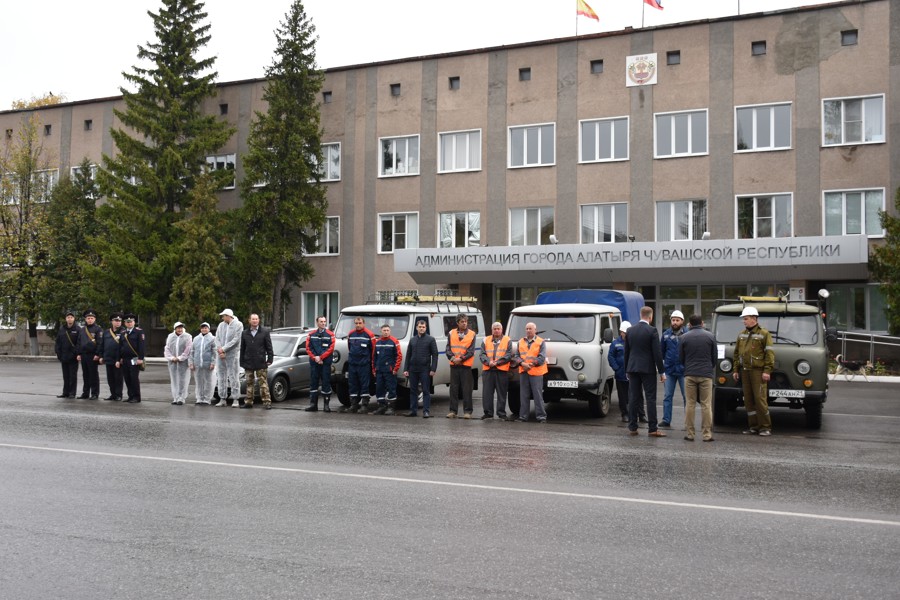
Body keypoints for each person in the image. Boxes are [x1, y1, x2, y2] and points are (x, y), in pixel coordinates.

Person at [624, 306, 667, 437]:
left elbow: (627, 352)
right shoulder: (652, 331)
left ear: (640, 315)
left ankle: (632, 427)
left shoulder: (630, 331)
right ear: (651, 316)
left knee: (633, 398)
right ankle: (652, 428)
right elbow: (657, 353)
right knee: (650, 398)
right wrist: (662, 372)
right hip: (647, 369)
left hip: (632, 368)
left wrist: (627, 369)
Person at [733, 306, 775, 436]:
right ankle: (753, 426)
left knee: (760, 399)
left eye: (746, 319)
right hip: (745, 371)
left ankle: (765, 427)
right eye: (744, 319)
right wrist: (735, 369)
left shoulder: (764, 334)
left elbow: (769, 353)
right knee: (749, 400)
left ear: (754, 319)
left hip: (758, 372)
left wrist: (767, 371)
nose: (744, 321)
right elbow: (736, 354)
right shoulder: (741, 335)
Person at [679, 314, 717, 442]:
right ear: (702, 323)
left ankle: (690, 434)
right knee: (706, 404)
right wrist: (708, 367)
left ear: (689, 324)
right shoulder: (710, 336)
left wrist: (688, 366)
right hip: (706, 374)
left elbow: (681, 358)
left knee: (690, 404)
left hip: (690, 374)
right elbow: (714, 358)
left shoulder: (683, 337)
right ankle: (707, 434)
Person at [403, 319, 438, 418]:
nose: (421, 328)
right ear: (416, 328)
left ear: (426, 328)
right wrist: (406, 369)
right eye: (420, 327)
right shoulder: (413, 339)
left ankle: (426, 411)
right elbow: (408, 355)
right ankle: (413, 411)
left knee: (426, 390)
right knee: (413, 391)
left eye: (423, 327)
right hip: (413, 369)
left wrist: (433, 369)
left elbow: (435, 355)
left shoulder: (430, 339)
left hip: (425, 369)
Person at [479, 321, 514, 420]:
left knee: (502, 393)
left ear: (502, 330)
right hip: (488, 370)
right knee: (487, 393)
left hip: (501, 370)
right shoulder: (485, 340)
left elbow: (508, 355)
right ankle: (488, 413)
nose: (497, 330)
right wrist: (488, 362)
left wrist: (497, 362)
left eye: (498, 329)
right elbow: (482, 354)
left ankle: (501, 413)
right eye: (495, 329)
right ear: (492, 330)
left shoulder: (507, 340)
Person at [515, 321, 548, 423]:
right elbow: (516, 356)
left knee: (538, 395)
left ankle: (541, 417)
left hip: (536, 372)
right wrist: (523, 364)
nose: (528, 330)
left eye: (530, 329)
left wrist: (530, 365)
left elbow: (541, 358)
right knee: (524, 395)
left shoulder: (541, 342)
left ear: (535, 330)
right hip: (524, 372)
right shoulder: (520, 341)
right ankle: (523, 417)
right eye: (527, 329)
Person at [341, 317, 375, 414]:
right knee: (352, 385)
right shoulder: (351, 334)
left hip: (364, 365)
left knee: (364, 385)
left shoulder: (369, 335)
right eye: (356, 323)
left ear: (363, 323)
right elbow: (349, 347)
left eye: (360, 323)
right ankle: (354, 405)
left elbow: (373, 351)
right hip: (353, 364)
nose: (358, 325)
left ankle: (364, 405)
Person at [240, 313, 274, 410]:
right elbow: (242, 348)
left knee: (263, 383)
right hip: (248, 362)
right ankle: (249, 402)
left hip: (261, 361)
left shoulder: (265, 332)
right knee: (249, 383)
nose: (255, 321)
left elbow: (269, 347)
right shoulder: (244, 333)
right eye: (253, 319)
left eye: (256, 319)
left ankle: (267, 402)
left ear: (259, 320)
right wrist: (241, 361)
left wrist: (270, 359)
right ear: (249, 320)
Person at [445, 314, 476, 419]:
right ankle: (453, 411)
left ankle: (467, 412)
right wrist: (453, 359)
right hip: (454, 365)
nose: (464, 323)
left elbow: (471, 351)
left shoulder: (472, 334)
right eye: (462, 321)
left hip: (465, 365)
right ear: (457, 323)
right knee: (453, 389)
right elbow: (448, 349)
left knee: (466, 389)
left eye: (466, 321)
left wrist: (461, 359)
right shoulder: (451, 333)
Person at [659, 310, 687, 428]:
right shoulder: (665, 334)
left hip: (684, 371)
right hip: (670, 370)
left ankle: (688, 422)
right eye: (673, 320)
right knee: (667, 396)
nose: (675, 322)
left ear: (682, 321)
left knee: (687, 397)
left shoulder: (687, 334)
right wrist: (662, 369)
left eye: (677, 320)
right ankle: (666, 420)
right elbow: (662, 352)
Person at [305, 315, 336, 412]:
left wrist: (321, 357)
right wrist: (315, 357)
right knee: (313, 383)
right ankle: (313, 404)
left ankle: (326, 405)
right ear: (317, 323)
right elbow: (308, 348)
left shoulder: (330, 334)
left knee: (326, 383)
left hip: (325, 363)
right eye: (321, 321)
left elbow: (331, 348)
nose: (323, 323)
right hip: (315, 363)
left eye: (324, 321)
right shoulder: (311, 334)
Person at [214, 308, 243, 407]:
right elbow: (217, 338)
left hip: (232, 354)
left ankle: (235, 399)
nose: (222, 318)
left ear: (228, 316)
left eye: (223, 316)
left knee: (233, 376)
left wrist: (224, 349)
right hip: (221, 355)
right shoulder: (221, 325)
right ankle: (222, 398)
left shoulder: (238, 325)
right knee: (221, 376)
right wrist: (220, 349)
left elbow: (236, 339)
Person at [373, 324, 402, 415]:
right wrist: (374, 369)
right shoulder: (377, 342)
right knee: (379, 389)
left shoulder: (394, 341)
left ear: (390, 331)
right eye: (384, 330)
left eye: (387, 330)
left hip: (390, 371)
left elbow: (399, 356)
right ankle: (381, 407)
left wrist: (395, 369)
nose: (386, 332)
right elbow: (374, 357)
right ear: (381, 331)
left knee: (391, 389)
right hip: (379, 370)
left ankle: (391, 408)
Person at [117, 313, 145, 403]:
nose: (129, 323)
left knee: (134, 378)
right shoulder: (123, 333)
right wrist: (119, 358)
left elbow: (141, 346)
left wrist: (141, 358)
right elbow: (120, 347)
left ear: (134, 322)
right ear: (125, 323)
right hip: (125, 359)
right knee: (127, 378)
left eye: (131, 322)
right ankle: (130, 396)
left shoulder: (139, 332)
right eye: (127, 322)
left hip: (134, 358)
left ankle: (136, 397)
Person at [97, 313, 125, 401]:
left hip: (117, 359)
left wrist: (121, 358)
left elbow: (124, 346)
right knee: (110, 378)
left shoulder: (123, 332)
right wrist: (101, 356)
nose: (118, 323)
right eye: (116, 321)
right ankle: (113, 394)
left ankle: (118, 395)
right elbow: (102, 345)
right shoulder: (106, 332)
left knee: (118, 378)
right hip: (108, 358)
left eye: (119, 321)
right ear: (112, 321)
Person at [76, 309, 103, 399]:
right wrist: (79, 353)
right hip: (84, 355)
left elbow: (100, 343)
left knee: (93, 375)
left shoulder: (98, 329)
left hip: (93, 355)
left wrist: (97, 354)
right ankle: (85, 393)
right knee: (85, 374)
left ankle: (95, 393)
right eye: (88, 318)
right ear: (85, 319)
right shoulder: (83, 329)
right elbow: (79, 342)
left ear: (94, 319)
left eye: (91, 318)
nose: (90, 320)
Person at [164, 321, 192, 405]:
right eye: (178, 328)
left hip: (183, 362)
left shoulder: (188, 336)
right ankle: (175, 397)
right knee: (174, 379)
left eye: (181, 327)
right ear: (175, 328)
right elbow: (167, 348)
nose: (180, 329)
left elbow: (188, 349)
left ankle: (181, 398)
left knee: (183, 380)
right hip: (172, 362)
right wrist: (172, 358)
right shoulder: (170, 336)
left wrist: (180, 358)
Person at [608, 321, 631, 422]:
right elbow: (610, 356)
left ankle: (632, 413)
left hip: (631, 374)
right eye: (625, 333)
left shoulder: (633, 342)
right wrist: (616, 368)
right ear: (621, 332)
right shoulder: (615, 343)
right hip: (620, 374)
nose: (626, 335)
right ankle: (624, 414)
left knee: (632, 396)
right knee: (622, 396)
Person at [55, 310, 81, 399]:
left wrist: (75, 353)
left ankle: (72, 393)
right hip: (64, 356)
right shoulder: (62, 329)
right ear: (66, 319)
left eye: (71, 317)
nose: (69, 319)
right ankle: (65, 392)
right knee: (65, 376)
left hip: (73, 357)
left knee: (72, 376)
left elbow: (79, 343)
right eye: (68, 317)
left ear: (74, 319)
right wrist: (58, 353)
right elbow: (58, 342)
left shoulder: (78, 329)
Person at [190, 322, 217, 405]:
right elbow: (192, 351)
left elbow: (214, 351)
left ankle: (206, 399)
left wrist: (213, 362)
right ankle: (199, 398)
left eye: (205, 328)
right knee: (199, 382)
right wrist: (191, 362)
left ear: (208, 329)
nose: (204, 329)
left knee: (208, 382)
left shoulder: (213, 339)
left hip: (208, 364)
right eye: (202, 328)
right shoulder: (196, 339)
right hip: (197, 364)